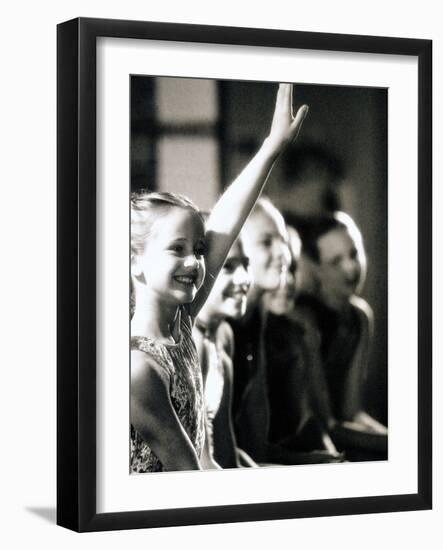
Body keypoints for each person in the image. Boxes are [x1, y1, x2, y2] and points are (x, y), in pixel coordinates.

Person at [130, 83, 309, 473]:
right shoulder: (139, 368)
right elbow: (188, 473)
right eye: (177, 249)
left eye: (197, 250)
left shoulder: (181, 326)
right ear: (134, 261)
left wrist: (271, 149)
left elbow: (226, 223)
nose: (196, 262)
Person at [293, 211, 387, 459]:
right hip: (309, 445)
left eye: (354, 254)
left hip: (344, 439)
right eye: (335, 261)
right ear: (316, 269)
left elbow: (352, 411)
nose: (351, 268)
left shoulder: (360, 318)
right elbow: (325, 424)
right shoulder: (304, 319)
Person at [263, 225, 343, 463]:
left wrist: (331, 457)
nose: (286, 281)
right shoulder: (237, 337)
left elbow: (308, 421)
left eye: (292, 269)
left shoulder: (294, 334)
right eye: (278, 269)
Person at [193, 237, 258, 468]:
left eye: (246, 264)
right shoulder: (190, 341)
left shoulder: (223, 334)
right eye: (228, 266)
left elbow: (225, 445)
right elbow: (201, 462)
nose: (244, 278)